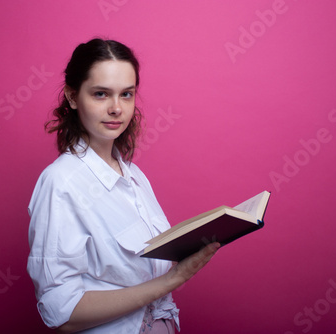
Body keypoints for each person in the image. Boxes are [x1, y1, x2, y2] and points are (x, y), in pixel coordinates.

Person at [27, 38, 220, 333]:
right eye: (101, 94)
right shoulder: (60, 183)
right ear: (72, 96)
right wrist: (172, 280)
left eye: (126, 94)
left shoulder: (134, 175)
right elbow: (61, 314)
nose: (117, 108)